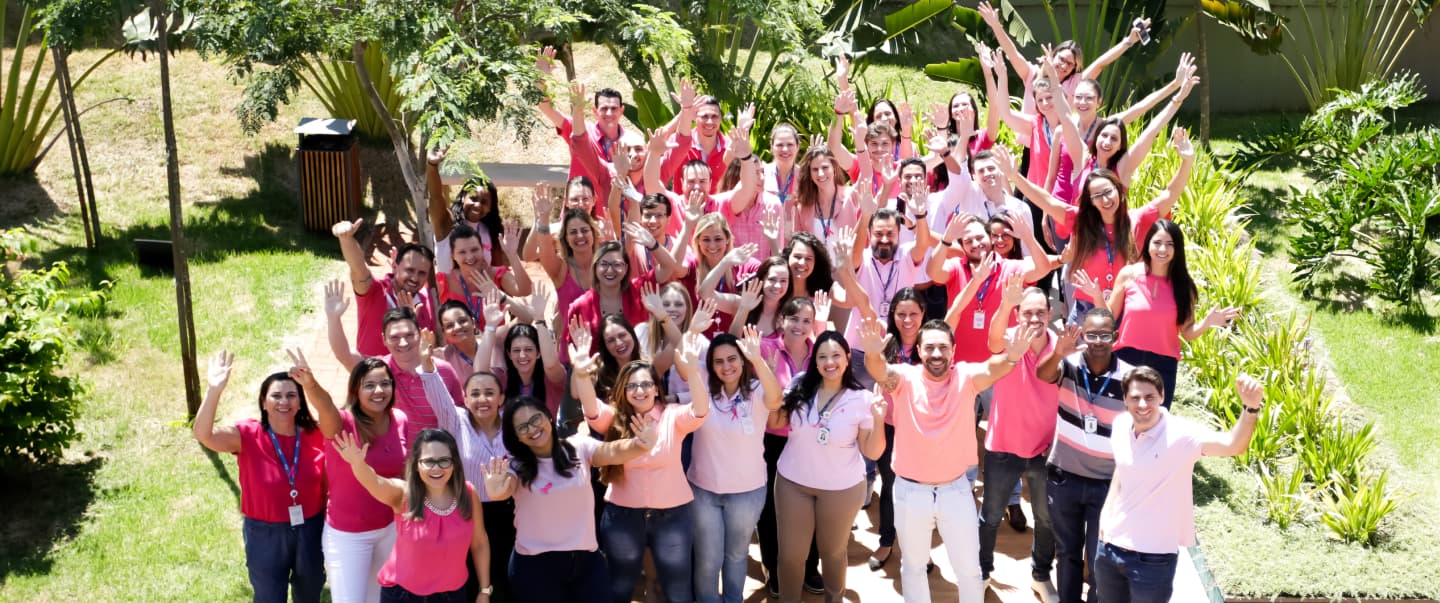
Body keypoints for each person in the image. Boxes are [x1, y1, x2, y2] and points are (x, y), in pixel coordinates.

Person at [859, 317, 1037, 603]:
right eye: (929, 348)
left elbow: (994, 368)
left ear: (954, 351)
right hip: (910, 491)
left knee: (969, 571)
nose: (937, 354)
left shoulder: (966, 377)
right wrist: (871, 353)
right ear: (918, 350)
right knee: (913, 567)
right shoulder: (905, 379)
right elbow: (880, 371)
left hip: (955, 491)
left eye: (943, 347)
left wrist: (1012, 356)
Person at [1095, 371, 1265, 603]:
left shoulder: (1182, 436)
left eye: (1150, 397)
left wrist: (1251, 409)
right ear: (1124, 400)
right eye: (1135, 397)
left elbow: (1233, 445)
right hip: (1110, 549)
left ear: (1162, 396)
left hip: (1153, 559)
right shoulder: (1121, 425)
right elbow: (1123, 470)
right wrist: (1106, 514)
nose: (1142, 404)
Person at [476, 396, 658, 602]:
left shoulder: (578, 446)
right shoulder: (515, 466)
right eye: (523, 427)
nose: (532, 428)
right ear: (516, 436)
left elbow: (612, 451)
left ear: (548, 417)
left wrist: (640, 445)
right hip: (536, 567)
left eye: (536, 419)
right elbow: (503, 488)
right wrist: (495, 490)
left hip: (586, 561)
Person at [573, 335, 712, 603]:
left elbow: (701, 411)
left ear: (657, 389)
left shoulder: (673, 415)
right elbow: (591, 409)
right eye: (633, 386)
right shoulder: (614, 418)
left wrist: (693, 372)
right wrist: (581, 375)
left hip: (672, 517)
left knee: (677, 590)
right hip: (623, 518)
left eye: (646, 384)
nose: (640, 390)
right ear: (623, 391)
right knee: (620, 586)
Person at [192, 350, 325, 603]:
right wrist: (214, 390)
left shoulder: (314, 434)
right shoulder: (247, 435)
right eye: (276, 395)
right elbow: (204, 434)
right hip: (265, 533)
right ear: (264, 402)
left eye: (291, 395)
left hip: (310, 527)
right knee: (268, 597)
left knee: (310, 594)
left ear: (299, 402)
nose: (283, 401)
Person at [773, 331, 887, 603]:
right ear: (815, 361)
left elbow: (872, 450)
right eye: (822, 356)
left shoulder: (861, 398)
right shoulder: (800, 384)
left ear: (848, 358)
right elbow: (777, 422)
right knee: (790, 556)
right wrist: (772, 389)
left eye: (836, 355)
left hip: (841, 489)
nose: (829, 362)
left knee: (833, 554)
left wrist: (880, 419)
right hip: (793, 482)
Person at [1077, 219, 1240, 407]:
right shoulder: (1129, 274)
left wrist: (1208, 322)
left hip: (1163, 365)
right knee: (1119, 417)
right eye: (1157, 243)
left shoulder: (1184, 286)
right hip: (1126, 357)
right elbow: (1110, 318)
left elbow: (1187, 331)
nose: (1162, 249)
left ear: (1177, 249)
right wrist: (1097, 296)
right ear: (1148, 244)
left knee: (1155, 425)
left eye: (1169, 244)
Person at [1036, 308, 1135, 603]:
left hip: (1106, 485)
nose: (1097, 341)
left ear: (1115, 337)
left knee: (1098, 559)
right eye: (1091, 334)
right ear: (1083, 335)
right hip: (1064, 477)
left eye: (1104, 335)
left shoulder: (1129, 376)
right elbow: (1042, 374)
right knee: (1066, 553)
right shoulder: (1068, 363)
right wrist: (1057, 352)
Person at [333, 427, 493, 603]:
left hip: (453, 597)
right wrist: (358, 464)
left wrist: (484, 590)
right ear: (417, 464)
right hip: (403, 597)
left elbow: (479, 543)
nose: (436, 468)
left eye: (444, 461)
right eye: (429, 462)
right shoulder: (404, 494)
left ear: (454, 463)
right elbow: (375, 482)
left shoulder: (468, 493)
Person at [979, 278, 1062, 602]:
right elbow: (992, 339)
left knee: (1045, 519)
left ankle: (1040, 576)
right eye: (1027, 313)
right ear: (1018, 314)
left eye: (1040, 312)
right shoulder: (1009, 339)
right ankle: (982, 572)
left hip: (1046, 450)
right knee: (989, 518)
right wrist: (1004, 303)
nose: (1034, 319)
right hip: (1003, 446)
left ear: (1050, 312)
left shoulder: (1060, 345)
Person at [418, 332, 515, 602]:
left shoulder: (511, 426)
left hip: (507, 513)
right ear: (465, 397)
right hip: (465, 511)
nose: (482, 399)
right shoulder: (456, 420)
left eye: (489, 393)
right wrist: (427, 364)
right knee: (469, 578)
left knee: (503, 576)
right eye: (475, 394)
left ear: (501, 398)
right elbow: (438, 396)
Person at [689, 329, 783, 603]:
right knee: (708, 558)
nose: (726, 366)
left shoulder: (757, 390)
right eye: (719, 361)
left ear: (743, 362)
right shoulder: (703, 389)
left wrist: (758, 358)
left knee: (736, 554)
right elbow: (683, 381)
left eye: (733, 359)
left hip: (747, 492)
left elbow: (776, 400)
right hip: (704, 490)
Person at [307, 353, 410, 603]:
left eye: (385, 383)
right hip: (348, 536)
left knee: (380, 599)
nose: (379, 390)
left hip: (389, 529)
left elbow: (404, 472)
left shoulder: (399, 419)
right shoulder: (342, 423)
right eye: (369, 385)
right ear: (356, 390)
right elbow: (325, 406)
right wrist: (309, 384)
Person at [324, 283, 464, 441]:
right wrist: (333, 319)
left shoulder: (444, 371)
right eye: (395, 337)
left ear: (419, 333)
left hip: (435, 461)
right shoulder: (378, 371)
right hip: (394, 460)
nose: (403, 343)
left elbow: (461, 420)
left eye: (409, 335)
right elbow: (344, 355)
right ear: (384, 340)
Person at [756, 297, 826, 596]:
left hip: (809, 442)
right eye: (794, 318)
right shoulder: (764, 349)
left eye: (806, 320)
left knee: (812, 507)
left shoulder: (820, 355)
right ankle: (773, 569)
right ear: (781, 320)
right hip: (772, 440)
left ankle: (811, 567)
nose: (800, 325)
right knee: (772, 510)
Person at [332, 219, 436, 358]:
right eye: (409, 270)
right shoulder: (374, 291)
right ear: (394, 265)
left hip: (410, 377)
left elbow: (428, 348)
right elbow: (358, 268)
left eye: (422, 273)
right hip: (373, 376)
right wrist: (346, 239)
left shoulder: (426, 302)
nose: (415, 278)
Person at [425, 147, 505, 273]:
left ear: (490, 208)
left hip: (483, 291)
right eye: (473, 198)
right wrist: (432, 165)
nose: (478, 205)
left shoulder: (491, 232)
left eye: (484, 202)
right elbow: (436, 197)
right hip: (448, 291)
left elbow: (498, 273)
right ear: (463, 198)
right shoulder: (447, 223)